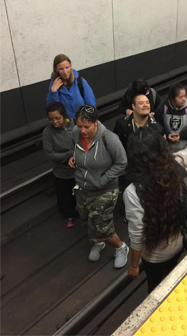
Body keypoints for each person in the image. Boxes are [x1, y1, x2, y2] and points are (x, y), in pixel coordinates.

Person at [124, 96, 187, 294]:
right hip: (179, 242)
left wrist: (134, 265)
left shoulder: (133, 191)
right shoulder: (176, 163)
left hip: (153, 255)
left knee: (154, 284)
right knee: (171, 275)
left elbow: (137, 235)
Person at [68, 105, 128, 267]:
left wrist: (103, 179)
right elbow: (77, 149)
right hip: (82, 188)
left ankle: (121, 247)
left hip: (104, 189)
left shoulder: (109, 139)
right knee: (86, 221)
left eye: (86, 126)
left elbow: (122, 163)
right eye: (79, 126)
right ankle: (99, 242)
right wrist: (73, 157)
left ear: (96, 122)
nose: (82, 130)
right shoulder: (75, 133)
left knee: (100, 225)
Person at [42, 102, 77, 227]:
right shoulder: (47, 132)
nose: (54, 122)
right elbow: (50, 155)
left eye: (57, 118)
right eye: (51, 119)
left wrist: (74, 154)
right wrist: (70, 154)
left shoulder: (75, 125)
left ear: (64, 116)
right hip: (61, 171)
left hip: (78, 168)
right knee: (64, 196)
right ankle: (69, 215)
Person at [47, 54, 96, 119]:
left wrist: (91, 117)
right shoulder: (53, 86)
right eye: (61, 69)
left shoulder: (79, 81)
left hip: (82, 121)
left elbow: (90, 100)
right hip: (67, 124)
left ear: (70, 66)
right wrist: (53, 92)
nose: (65, 71)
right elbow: (53, 109)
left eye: (67, 67)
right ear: (56, 69)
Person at [155, 82, 187, 150]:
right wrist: (167, 135)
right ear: (172, 98)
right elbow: (158, 126)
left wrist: (181, 135)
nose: (184, 99)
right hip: (167, 149)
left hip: (185, 148)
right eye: (180, 97)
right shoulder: (162, 108)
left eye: (185, 96)